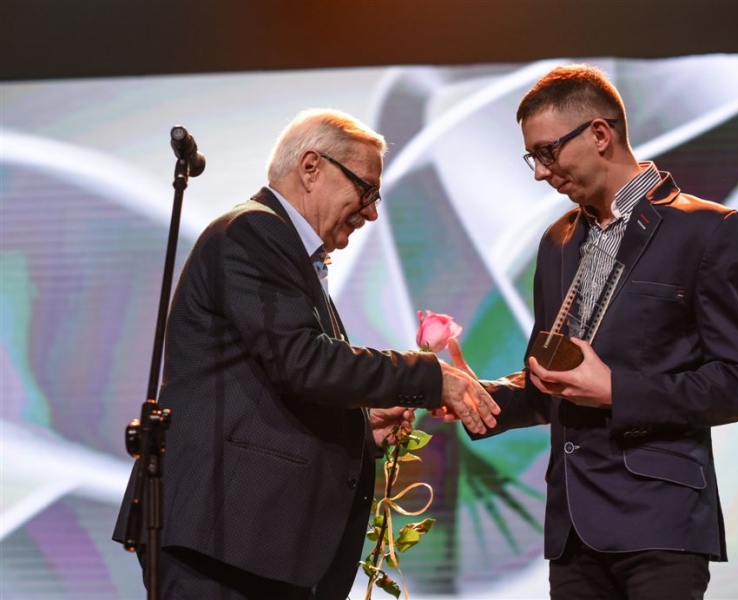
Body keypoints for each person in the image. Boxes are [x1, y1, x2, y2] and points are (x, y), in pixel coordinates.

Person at [112, 108, 499, 600]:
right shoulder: (253, 231)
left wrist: (361, 426)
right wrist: (428, 376)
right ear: (312, 167)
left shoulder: (286, 253)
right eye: (366, 190)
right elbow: (303, 361)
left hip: (247, 547)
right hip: (221, 541)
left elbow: (271, 387)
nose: (372, 212)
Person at [446, 64, 738, 599]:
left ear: (600, 134)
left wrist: (619, 391)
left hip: (660, 524)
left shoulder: (709, 230)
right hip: (573, 531)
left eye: (548, 152)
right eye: (532, 158)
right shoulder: (556, 240)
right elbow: (552, 380)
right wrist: (479, 396)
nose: (540, 172)